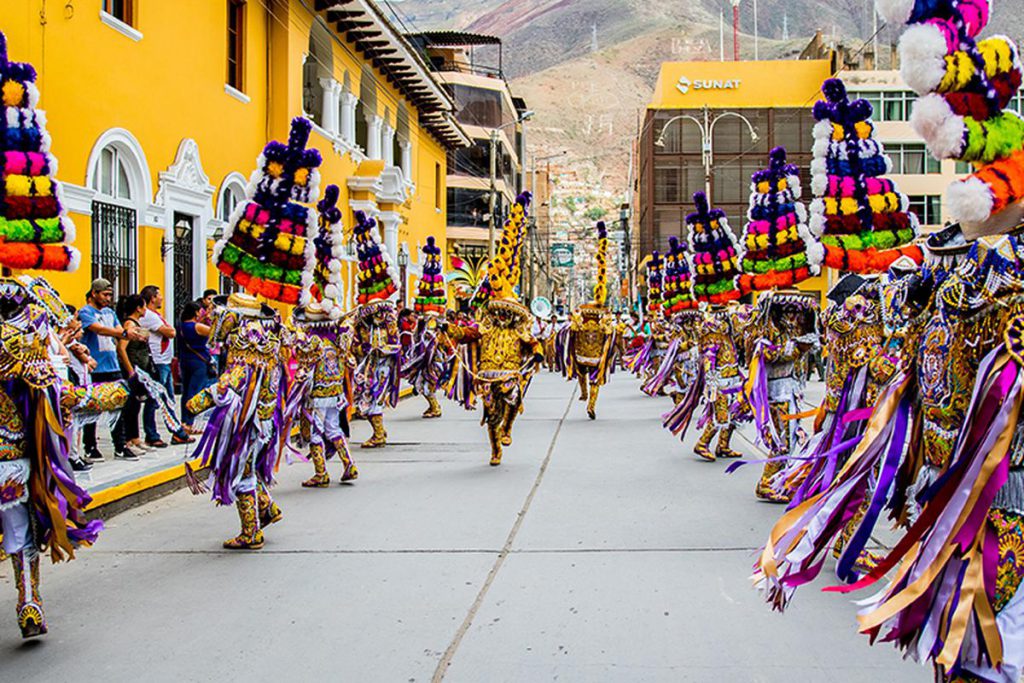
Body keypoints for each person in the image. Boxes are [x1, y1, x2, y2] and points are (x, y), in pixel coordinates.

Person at [78, 279, 145, 461]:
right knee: (92, 408)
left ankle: (121, 445)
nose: (108, 298)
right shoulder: (85, 312)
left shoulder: (109, 312)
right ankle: (90, 446)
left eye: (110, 294)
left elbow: (117, 328)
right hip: (95, 367)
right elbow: (99, 329)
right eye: (105, 294)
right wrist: (124, 334)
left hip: (112, 365)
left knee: (119, 406)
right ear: (94, 293)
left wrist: (127, 334)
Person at [138, 285, 191, 446]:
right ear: (152, 298)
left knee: (167, 400)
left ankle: (176, 432)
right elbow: (171, 333)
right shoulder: (148, 316)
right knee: (155, 400)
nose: (162, 297)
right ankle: (153, 434)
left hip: (164, 362)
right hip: (157, 362)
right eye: (159, 295)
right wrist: (169, 330)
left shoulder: (156, 315)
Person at [177, 302, 214, 431]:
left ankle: (184, 421)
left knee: (186, 391)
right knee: (195, 392)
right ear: (196, 312)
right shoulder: (198, 327)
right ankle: (190, 422)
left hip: (185, 360)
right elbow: (214, 333)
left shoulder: (181, 326)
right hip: (199, 362)